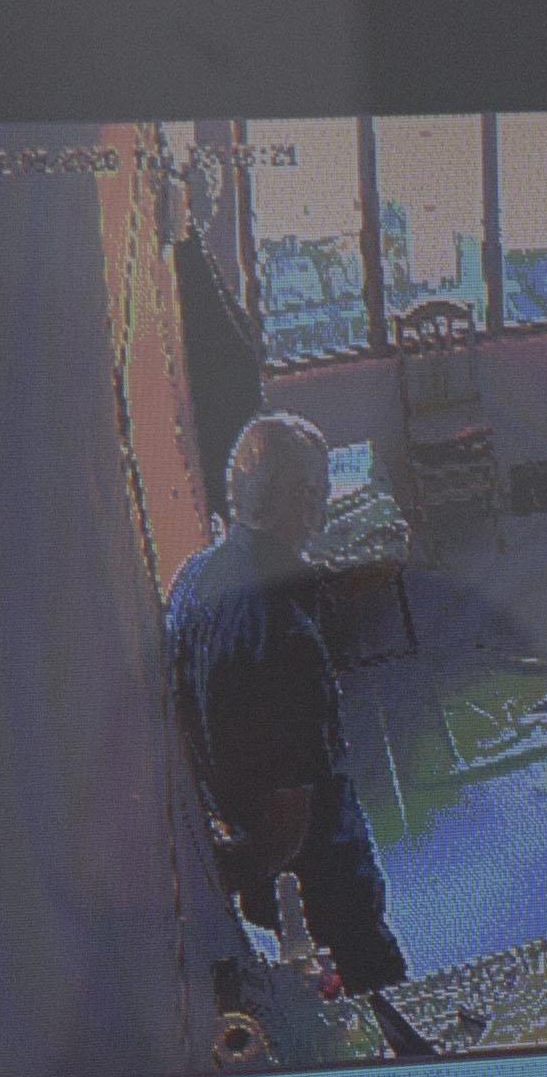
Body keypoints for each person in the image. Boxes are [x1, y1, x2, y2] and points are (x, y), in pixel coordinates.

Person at [161, 411, 408, 994]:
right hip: (322, 888)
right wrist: (219, 876)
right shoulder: (287, 639)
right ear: (303, 498)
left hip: (248, 853)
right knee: (381, 994)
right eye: (321, 489)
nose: (324, 504)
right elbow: (287, 831)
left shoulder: (193, 578)